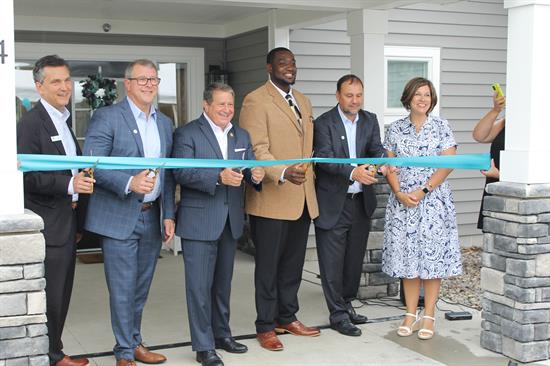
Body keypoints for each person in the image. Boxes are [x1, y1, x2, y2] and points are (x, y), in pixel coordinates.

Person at [84, 59, 175, 366]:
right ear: (128, 84)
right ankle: (124, 352)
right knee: (123, 288)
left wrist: (169, 213)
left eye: (154, 80)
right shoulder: (107, 117)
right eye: (142, 80)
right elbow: (92, 162)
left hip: (152, 215)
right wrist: (129, 182)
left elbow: (170, 172)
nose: (149, 85)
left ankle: (134, 342)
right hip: (119, 215)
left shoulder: (164, 123)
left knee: (140, 288)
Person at [172, 83, 264, 366]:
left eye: (230, 105)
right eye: (221, 104)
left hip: (230, 221)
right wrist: (216, 177)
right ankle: (203, 346)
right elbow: (180, 171)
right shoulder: (187, 133)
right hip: (198, 221)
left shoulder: (241, 134)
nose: (227, 110)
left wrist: (256, 175)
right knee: (199, 288)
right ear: (206, 105)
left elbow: (247, 168)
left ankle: (223, 334)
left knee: (223, 285)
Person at [239, 47, 320, 351]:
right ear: (269, 67)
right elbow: (257, 149)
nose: (290, 68)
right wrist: (283, 171)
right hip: (272, 199)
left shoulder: (303, 101)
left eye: (293, 63)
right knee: (268, 267)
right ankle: (265, 325)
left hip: (302, 198)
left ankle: (287, 316)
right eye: (283, 63)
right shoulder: (255, 100)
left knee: (292, 265)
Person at [17, 55, 93, 366]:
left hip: (67, 220)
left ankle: (55, 351)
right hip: (48, 223)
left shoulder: (62, 119)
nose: (64, 87)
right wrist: (69, 185)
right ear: (39, 86)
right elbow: (27, 176)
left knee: (61, 295)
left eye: (67, 80)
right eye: (55, 81)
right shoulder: (32, 123)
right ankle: (51, 355)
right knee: (51, 298)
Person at [382, 77, 462, 340]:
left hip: (433, 203)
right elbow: (389, 165)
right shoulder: (394, 129)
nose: (423, 99)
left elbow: (448, 164)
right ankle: (409, 313)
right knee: (407, 259)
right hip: (403, 203)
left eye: (427, 95)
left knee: (431, 258)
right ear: (407, 98)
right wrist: (399, 192)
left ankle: (428, 315)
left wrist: (422, 190)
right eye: (417, 94)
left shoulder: (441, 126)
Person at [313, 74, 385, 337]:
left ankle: (347, 305)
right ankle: (338, 315)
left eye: (358, 95)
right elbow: (324, 159)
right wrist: (354, 172)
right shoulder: (323, 123)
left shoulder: (370, 120)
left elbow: (377, 150)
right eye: (349, 95)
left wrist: (374, 167)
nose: (354, 100)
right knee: (332, 263)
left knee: (353, 262)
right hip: (333, 202)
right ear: (337, 96)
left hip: (360, 202)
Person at [473, 91, 506, 230]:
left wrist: (499, 175)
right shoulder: (512, 120)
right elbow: (480, 136)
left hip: (517, 197)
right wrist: (496, 110)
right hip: (495, 190)